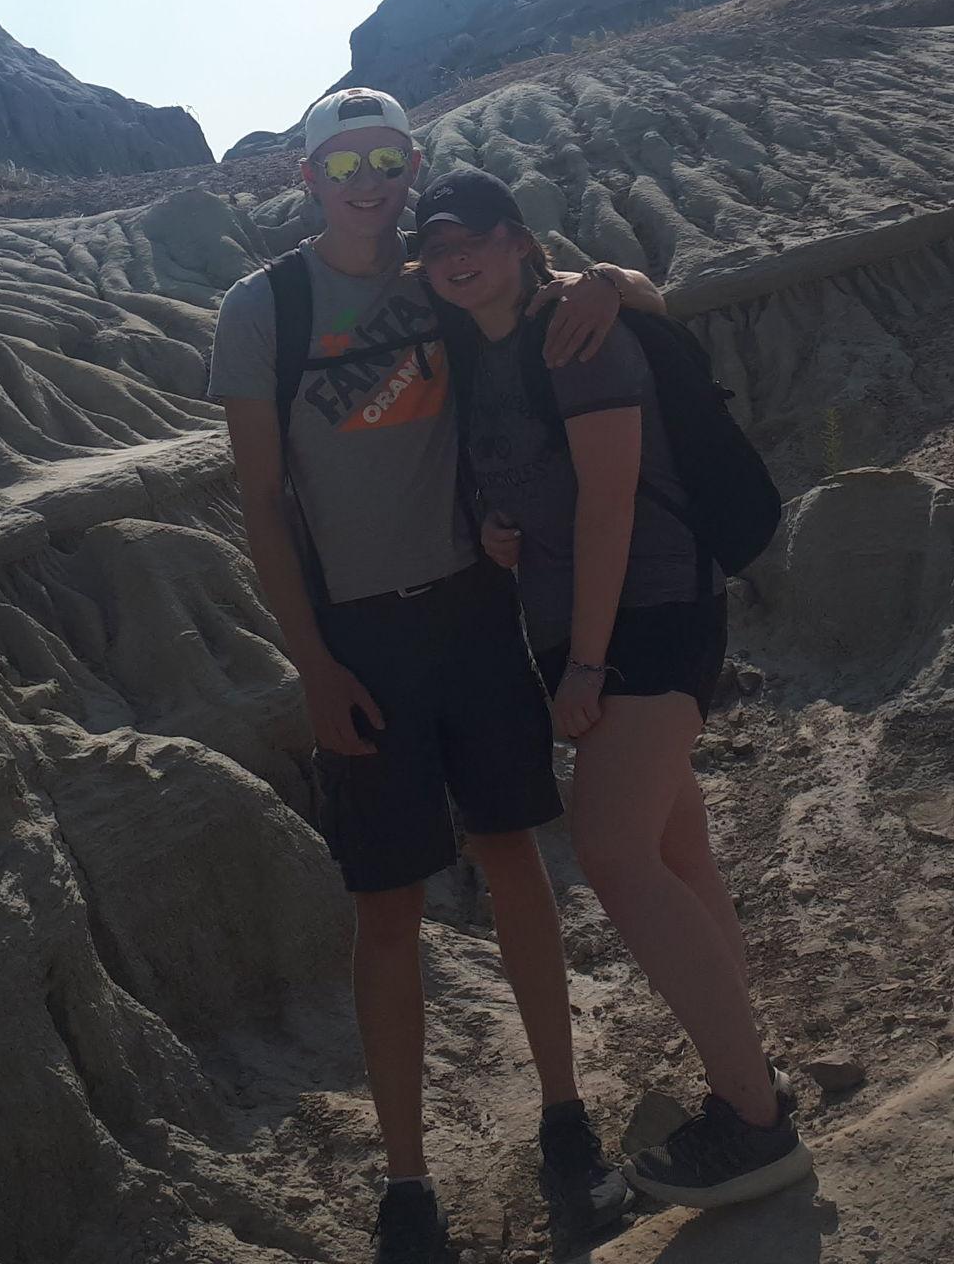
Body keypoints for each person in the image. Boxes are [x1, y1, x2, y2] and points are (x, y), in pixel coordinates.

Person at [208, 90, 665, 1264]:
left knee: (515, 855)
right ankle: (406, 1187)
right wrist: (310, 662)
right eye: (340, 161)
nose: (367, 180)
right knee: (386, 907)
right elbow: (263, 499)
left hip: (471, 607)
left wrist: (613, 280)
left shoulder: (435, 283)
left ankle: (567, 1125)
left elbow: (558, 296)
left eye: (386, 158)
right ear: (306, 176)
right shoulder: (264, 308)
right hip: (359, 635)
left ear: (410, 166)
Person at [415, 164, 812, 1213]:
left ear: (513, 237)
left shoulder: (570, 331)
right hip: (589, 623)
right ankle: (750, 1076)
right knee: (677, 852)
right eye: (436, 242)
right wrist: (502, 526)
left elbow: (611, 504)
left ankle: (755, 1125)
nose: (455, 253)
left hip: (647, 616)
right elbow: (541, 486)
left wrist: (587, 664)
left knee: (611, 849)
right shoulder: (486, 346)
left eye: (473, 234)